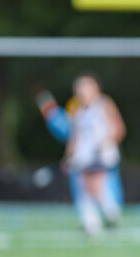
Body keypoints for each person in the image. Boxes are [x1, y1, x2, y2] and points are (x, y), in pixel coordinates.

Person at [39, 73, 126, 237]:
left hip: (102, 154)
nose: (81, 92)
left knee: (95, 187)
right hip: (84, 156)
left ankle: (109, 214)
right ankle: (93, 222)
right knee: (83, 188)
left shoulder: (104, 105)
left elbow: (118, 128)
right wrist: (69, 155)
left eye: (84, 88)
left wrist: (105, 143)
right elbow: (75, 136)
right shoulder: (77, 109)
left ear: (95, 89)